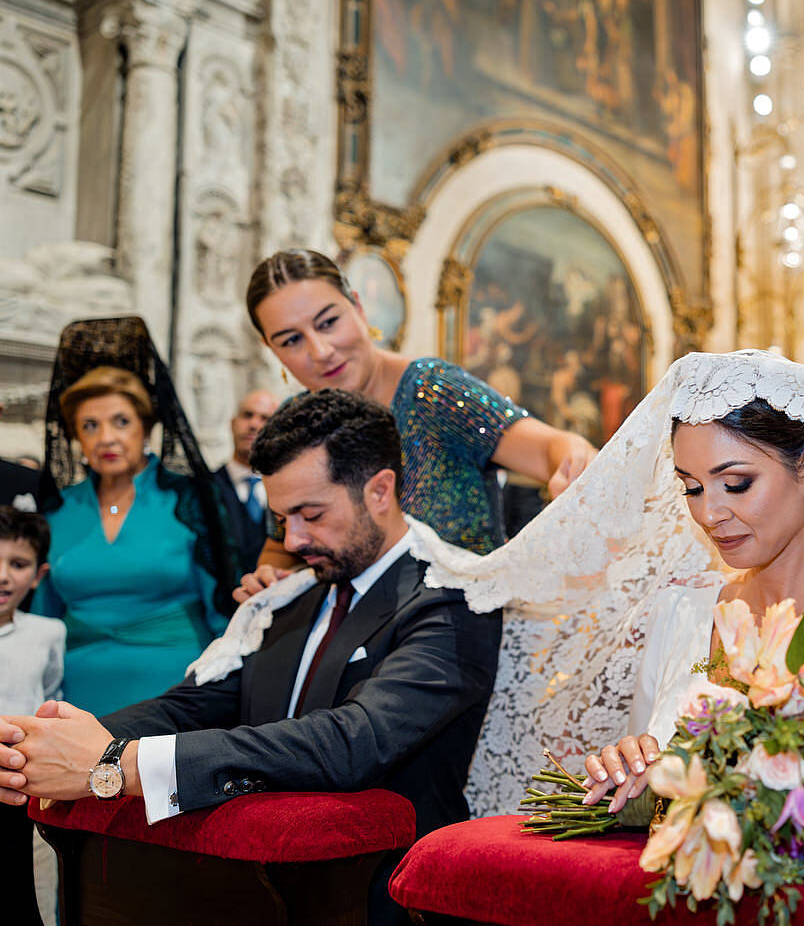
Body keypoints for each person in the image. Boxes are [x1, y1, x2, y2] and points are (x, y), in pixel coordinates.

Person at [416, 350, 804, 926]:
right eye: (691, 488)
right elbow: (657, 787)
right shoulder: (682, 614)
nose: (709, 513)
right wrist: (633, 769)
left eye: (736, 483)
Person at [0, 390, 502, 926]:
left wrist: (119, 764)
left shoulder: (456, 599)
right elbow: (191, 706)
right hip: (252, 888)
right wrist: (41, 743)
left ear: (380, 490)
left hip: (384, 896)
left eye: (311, 514)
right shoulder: (289, 596)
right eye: (281, 519)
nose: (294, 540)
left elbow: (354, 741)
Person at [239, 248, 595, 578]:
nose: (320, 351)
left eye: (328, 322)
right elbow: (281, 544)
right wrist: (269, 575)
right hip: (354, 624)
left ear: (358, 307)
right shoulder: (297, 425)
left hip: (462, 618)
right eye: (291, 340)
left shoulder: (431, 391)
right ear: (271, 349)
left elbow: (553, 448)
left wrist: (573, 460)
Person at [31, 318, 237, 716]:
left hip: (177, 692)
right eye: (90, 426)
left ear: (146, 427)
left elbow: (222, 611)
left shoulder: (188, 501)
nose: (106, 437)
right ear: (75, 436)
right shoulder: (59, 509)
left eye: (121, 422)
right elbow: (43, 618)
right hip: (75, 698)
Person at [0, 506, 64, 926]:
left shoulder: (48, 632)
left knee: (35, 890)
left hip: (27, 787)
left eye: (18, 564)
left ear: (38, 575)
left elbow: (51, 694)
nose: (3, 576)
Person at [212, 389, 280, 570]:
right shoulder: (205, 487)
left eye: (265, 418)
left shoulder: (287, 491)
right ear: (233, 423)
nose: (254, 424)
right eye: (247, 415)